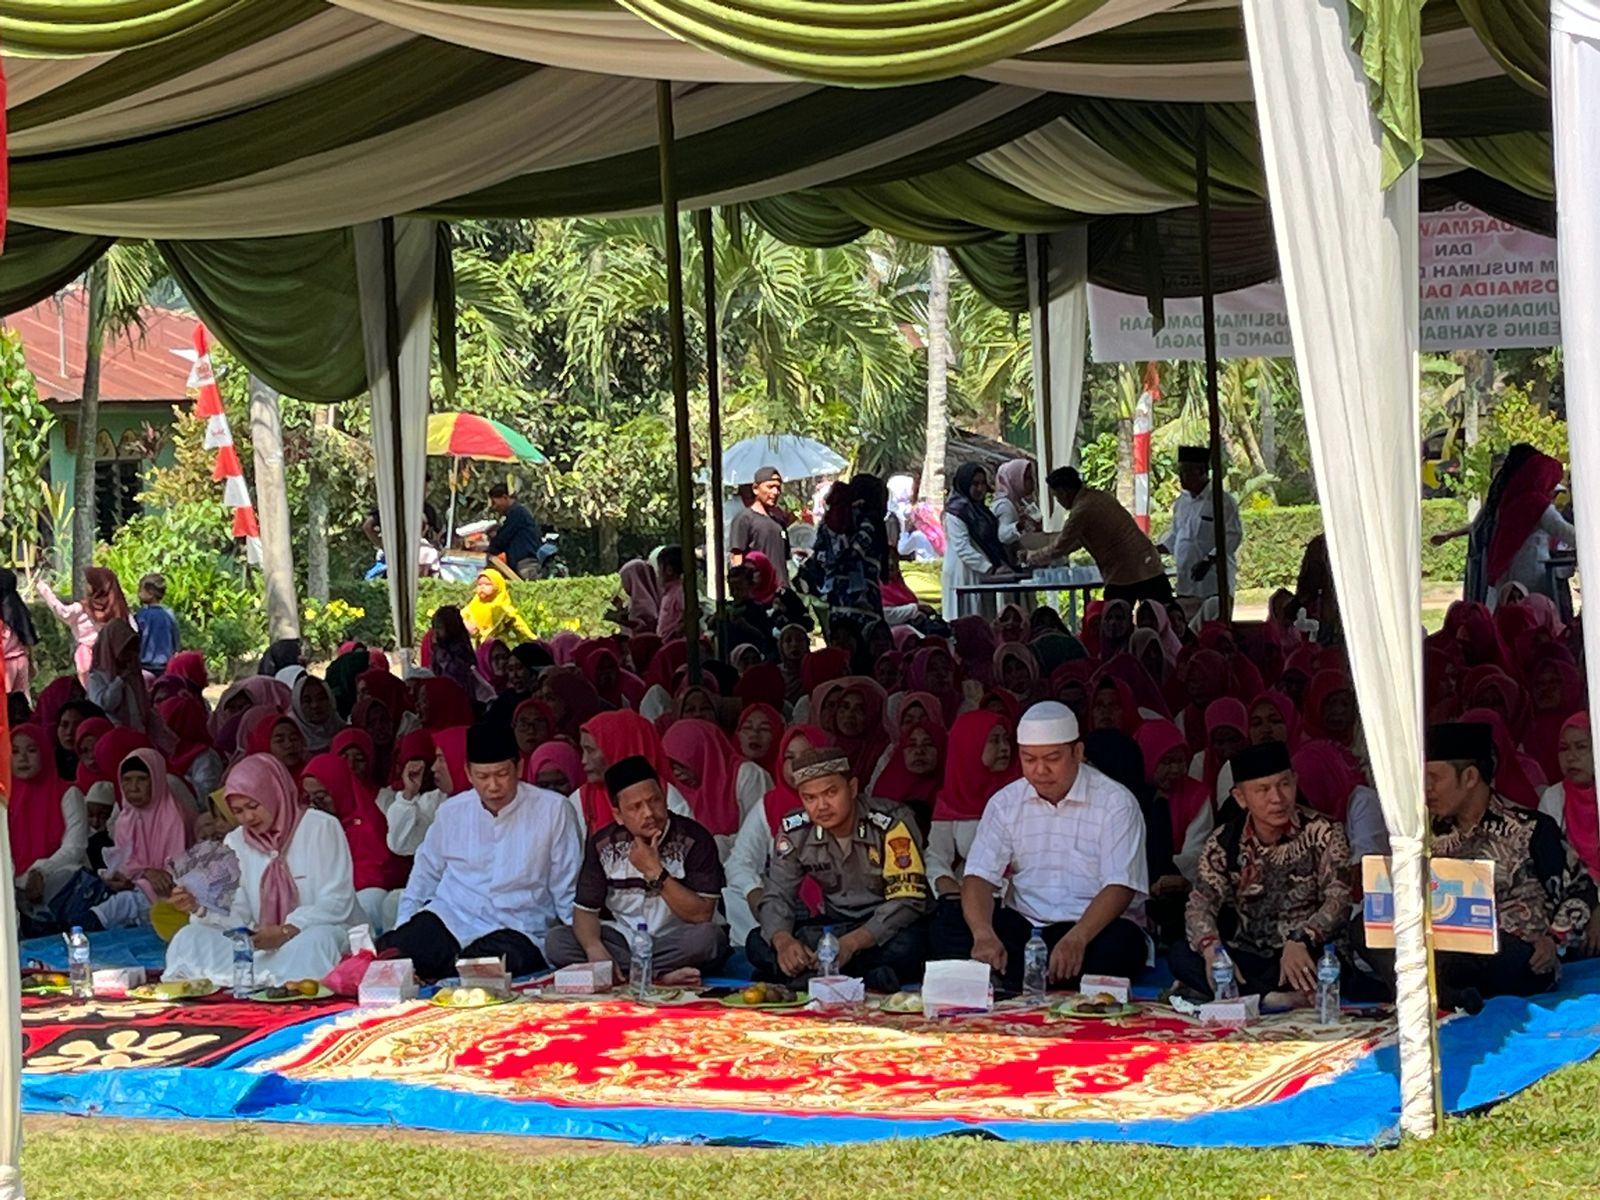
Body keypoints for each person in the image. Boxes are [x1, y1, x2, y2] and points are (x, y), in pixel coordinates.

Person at [1365, 722, 1576, 1010]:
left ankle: (1430, 993)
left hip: (1508, 957)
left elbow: (1580, 888)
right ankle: (1451, 995)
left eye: (1434, 778)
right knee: (1363, 928)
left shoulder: (1531, 828)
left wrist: (1553, 940)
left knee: (1490, 947)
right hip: (1443, 948)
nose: (1426, 789)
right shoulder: (1425, 834)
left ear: (1470, 777)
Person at [961, 701, 1149, 990]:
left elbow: (1120, 885)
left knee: (1122, 945)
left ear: (1078, 752)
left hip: (1093, 928)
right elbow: (979, 875)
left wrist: (1078, 937)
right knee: (952, 925)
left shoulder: (1116, 803)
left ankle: (1019, 977)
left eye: (1052, 758)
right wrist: (983, 934)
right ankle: (1038, 975)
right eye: (1029, 759)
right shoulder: (1005, 802)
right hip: (1027, 925)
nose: (1040, 770)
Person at [381, 723, 583, 981]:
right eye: (483, 776)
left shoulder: (554, 810)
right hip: (452, 917)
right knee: (394, 955)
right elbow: (424, 875)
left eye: (501, 774)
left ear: (519, 768)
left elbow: (567, 887)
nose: (493, 786)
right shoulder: (451, 811)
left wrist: (581, 943)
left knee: (481, 972)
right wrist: (404, 929)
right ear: (467, 772)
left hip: (518, 927)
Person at [1170, 742, 1363, 1004]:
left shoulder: (1324, 832)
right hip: (1250, 953)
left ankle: (1249, 997)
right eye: (1262, 789)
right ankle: (1272, 999)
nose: (1277, 798)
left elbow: (1338, 901)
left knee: (1325, 965)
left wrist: (1302, 939)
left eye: (1284, 784)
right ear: (1240, 797)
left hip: (1306, 950)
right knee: (1182, 955)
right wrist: (1210, 948)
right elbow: (1200, 903)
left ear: (1295, 781)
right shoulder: (1224, 841)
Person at [166, 754, 362, 986]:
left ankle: (267, 977)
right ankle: (269, 977)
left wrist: (287, 931)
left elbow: (336, 901)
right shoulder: (235, 841)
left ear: (274, 794)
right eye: (237, 811)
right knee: (189, 938)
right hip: (259, 944)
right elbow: (237, 913)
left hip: (307, 936)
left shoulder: (320, 827)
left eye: (253, 806)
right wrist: (199, 906)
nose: (248, 817)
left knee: (320, 940)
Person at [749, 745, 933, 992]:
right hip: (835, 926)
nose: (821, 806)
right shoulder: (795, 829)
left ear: (853, 788)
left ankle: (812, 976)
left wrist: (852, 943)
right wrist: (783, 941)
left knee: (909, 945)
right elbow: (778, 893)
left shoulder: (891, 822)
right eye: (810, 798)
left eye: (831, 792)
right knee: (756, 942)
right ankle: (861, 976)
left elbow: (907, 900)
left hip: (883, 928)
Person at [546, 755, 729, 979]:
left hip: (677, 938)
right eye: (635, 807)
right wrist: (595, 950)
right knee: (557, 941)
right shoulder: (603, 844)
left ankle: (630, 975)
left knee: (708, 938)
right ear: (618, 815)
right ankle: (660, 976)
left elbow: (702, 914)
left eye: (655, 801)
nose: (649, 813)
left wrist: (655, 872)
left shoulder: (695, 839)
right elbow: (585, 912)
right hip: (625, 940)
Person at [1029, 468, 1171, 604]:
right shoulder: (1099, 497)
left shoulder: (1081, 511)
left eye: (1056, 496)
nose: (1058, 501)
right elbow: (1074, 542)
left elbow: (1059, 548)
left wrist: (1031, 557)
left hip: (1122, 574)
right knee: (1164, 618)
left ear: (1063, 492)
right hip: (1149, 565)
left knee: (1114, 622)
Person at [1156, 447, 1242, 612]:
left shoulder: (1222, 501)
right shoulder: (1181, 502)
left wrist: (1208, 560)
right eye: (1180, 471)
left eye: (1186, 471)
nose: (1181, 477)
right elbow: (1175, 536)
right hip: (1185, 585)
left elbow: (1233, 536)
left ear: (1201, 471)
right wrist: (1155, 549)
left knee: (1212, 630)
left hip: (1213, 584)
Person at [941, 463, 1013, 619]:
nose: (980, 489)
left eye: (982, 483)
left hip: (982, 574)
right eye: (975, 484)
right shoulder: (956, 512)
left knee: (984, 619)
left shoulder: (981, 510)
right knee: (965, 619)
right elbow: (963, 548)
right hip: (963, 573)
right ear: (965, 484)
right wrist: (990, 568)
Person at [39, 567, 128, 684]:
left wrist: (44, 590)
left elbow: (62, 612)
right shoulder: (118, 608)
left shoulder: (82, 608)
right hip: (110, 655)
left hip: (87, 655)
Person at [729, 466, 791, 588]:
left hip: (781, 590)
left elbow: (784, 559)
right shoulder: (744, 519)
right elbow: (737, 557)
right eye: (770, 487)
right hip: (758, 592)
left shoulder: (779, 522)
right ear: (756, 489)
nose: (775, 492)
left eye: (778, 488)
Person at [485, 483, 544, 580]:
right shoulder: (514, 514)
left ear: (505, 497)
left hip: (525, 563)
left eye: (495, 502)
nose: (495, 507)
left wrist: (490, 547)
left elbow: (503, 537)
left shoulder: (517, 514)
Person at [463, 571, 535, 646]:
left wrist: (532, 638)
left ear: (498, 586)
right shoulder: (474, 604)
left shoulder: (503, 607)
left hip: (497, 645)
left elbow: (518, 624)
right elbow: (461, 616)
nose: (482, 587)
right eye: (479, 584)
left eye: (487, 584)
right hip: (477, 645)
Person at [0, 567, 38, 696]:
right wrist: (32, 662)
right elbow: (28, 636)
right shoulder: (19, 609)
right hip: (21, 661)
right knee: (20, 705)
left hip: (4, 665)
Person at [133, 573, 181, 674]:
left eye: (141, 590)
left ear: (150, 593)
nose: (138, 594)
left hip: (145, 666)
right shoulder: (169, 614)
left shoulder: (142, 615)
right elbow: (175, 637)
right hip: (166, 665)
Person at [992, 460, 1042, 551]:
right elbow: (1003, 536)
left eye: (1031, 477)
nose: (1032, 482)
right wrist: (1019, 525)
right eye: (1026, 478)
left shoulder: (1018, 501)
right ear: (1014, 479)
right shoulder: (1005, 505)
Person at [654, 546, 689, 641]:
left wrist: (675, 632)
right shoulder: (668, 593)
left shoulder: (679, 592)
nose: (658, 573)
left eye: (659, 568)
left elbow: (691, 615)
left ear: (669, 570)